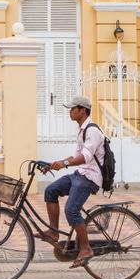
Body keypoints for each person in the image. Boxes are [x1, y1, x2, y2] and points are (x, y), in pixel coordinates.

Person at [35, 95, 105, 269]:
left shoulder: (93, 131)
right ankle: (53, 232)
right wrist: (54, 164)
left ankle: (86, 249)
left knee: (71, 210)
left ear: (83, 110)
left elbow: (85, 157)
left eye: (73, 109)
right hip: (80, 173)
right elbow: (76, 156)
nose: (70, 112)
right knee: (50, 191)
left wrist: (64, 163)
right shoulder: (82, 130)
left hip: (90, 177)